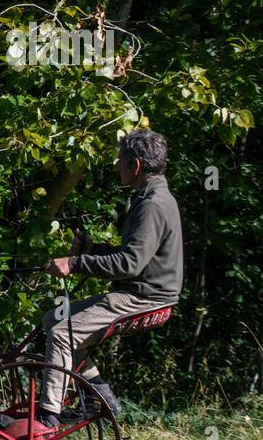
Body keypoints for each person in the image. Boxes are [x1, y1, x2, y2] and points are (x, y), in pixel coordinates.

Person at [37, 129, 183, 425]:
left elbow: (129, 264)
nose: (118, 167)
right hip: (139, 291)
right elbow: (140, 256)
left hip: (145, 298)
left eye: (121, 161)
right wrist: (94, 249)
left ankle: (47, 419)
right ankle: (100, 397)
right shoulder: (150, 197)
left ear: (137, 166)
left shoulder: (153, 205)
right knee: (53, 319)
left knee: (63, 332)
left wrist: (75, 262)